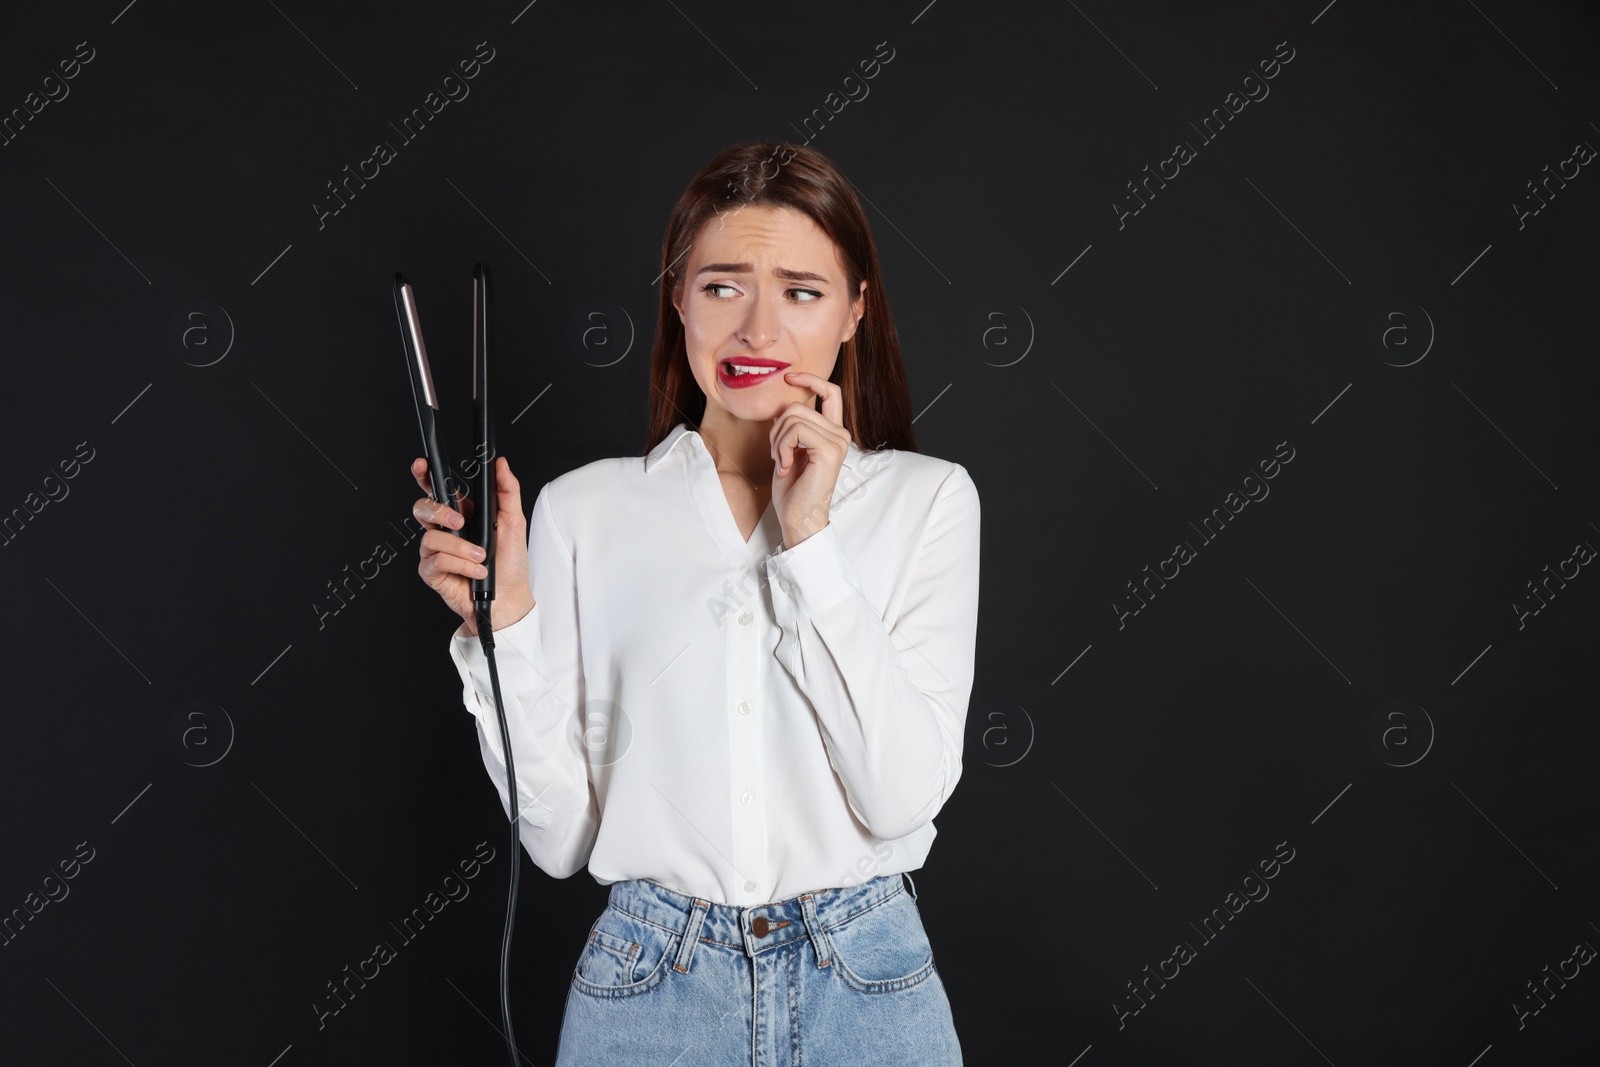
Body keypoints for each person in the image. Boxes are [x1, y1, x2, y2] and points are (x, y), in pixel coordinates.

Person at [410, 141, 979, 1066]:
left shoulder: (928, 500)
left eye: (801, 291)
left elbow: (899, 797)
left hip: (866, 988)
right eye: (723, 287)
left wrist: (811, 542)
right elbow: (558, 839)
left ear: (855, 311)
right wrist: (500, 627)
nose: (758, 328)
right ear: (678, 301)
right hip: (649, 993)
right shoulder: (586, 510)